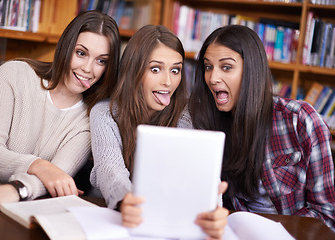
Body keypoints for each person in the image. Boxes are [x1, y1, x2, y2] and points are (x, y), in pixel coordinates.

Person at [188, 24, 335, 231]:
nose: (213, 78)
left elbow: (326, 214)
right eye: (208, 67)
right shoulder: (205, 125)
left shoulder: (300, 120)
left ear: (251, 70)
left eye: (226, 67)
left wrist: (271, 231)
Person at [89, 25, 229, 239]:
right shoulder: (105, 113)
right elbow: (109, 168)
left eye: (175, 70)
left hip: (165, 223)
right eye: (155, 69)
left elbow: (196, 174)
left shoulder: (186, 115)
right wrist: (126, 200)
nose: (168, 81)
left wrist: (212, 205)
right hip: (110, 217)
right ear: (134, 70)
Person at [0, 10, 120, 214]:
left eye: (101, 61)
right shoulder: (14, 74)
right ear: (65, 47)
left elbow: (57, 178)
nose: (89, 69)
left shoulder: (89, 120)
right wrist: (41, 166)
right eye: (81, 53)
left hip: (16, 215)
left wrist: (19, 190)